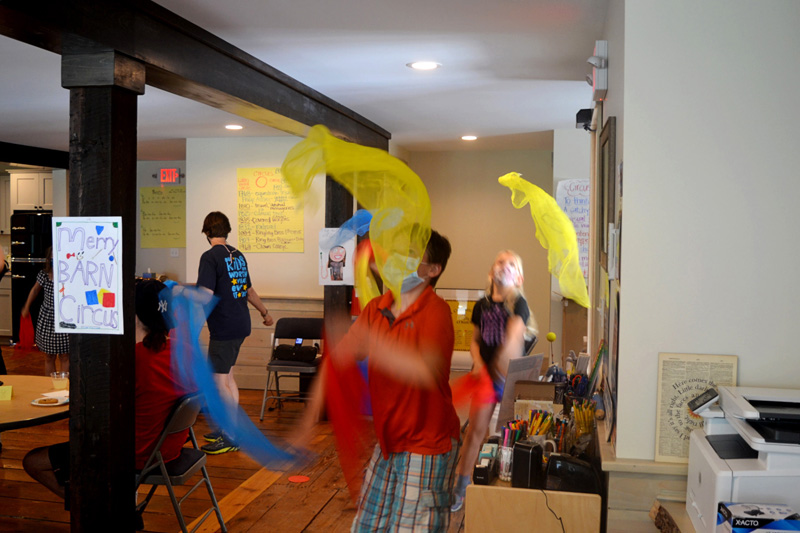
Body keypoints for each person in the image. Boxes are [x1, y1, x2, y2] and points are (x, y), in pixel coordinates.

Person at [334, 230, 461, 532]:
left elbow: (423, 370)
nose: (399, 259)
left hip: (429, 443)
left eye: (411, 254)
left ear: (433, 270)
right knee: (366, 525)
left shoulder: (437, 311)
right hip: (390, 441)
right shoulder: (376, 308)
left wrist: (379, 346)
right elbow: (342, 358)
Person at [23, 279, 192, 504]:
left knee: (32, 461)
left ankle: (95, 509)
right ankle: (114, 506)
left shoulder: (133, 360)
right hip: (168, 449)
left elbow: (95, 411)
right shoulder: (185, 351)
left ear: (132, 313)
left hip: (132, 453)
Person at [450, 250, 538, 512]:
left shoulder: (519, 305)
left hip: (510, 379)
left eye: (511, 263)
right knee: (475, 433)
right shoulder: (481, 306)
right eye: (500, 261)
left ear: (519, 277)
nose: (505, 266)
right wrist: (478, 364)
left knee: (507, 438)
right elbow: (475, 342)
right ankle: (460, 487)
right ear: (491, 271)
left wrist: (502, 372)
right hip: (487, 378)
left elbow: (513, 340)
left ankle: (504, 492)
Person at [196, 211, 273, 454]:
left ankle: (230, 435)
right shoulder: (237, 256)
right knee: (227, 376)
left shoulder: (210, 257)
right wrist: (265, 313)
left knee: (219, 381)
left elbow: (205, 295)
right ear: (226, 232)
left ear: (207, 233)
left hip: (225, 326)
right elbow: (249, 291)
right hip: (241, 323)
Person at [21, 247, 69, 375]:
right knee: (49, 356)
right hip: (47, 318)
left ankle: (64, 388)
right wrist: (26, 306)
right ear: (49, 259)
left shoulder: (70, 275)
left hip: (65, 317)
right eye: (53, 258)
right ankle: (49, 385)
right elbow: (35, 290)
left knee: (65, 356)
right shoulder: (44, 274)